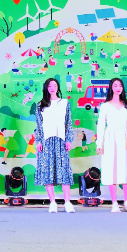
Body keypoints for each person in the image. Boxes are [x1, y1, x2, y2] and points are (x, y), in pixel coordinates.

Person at [96, 78, 127, 213]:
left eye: (120, 86)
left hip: (123, 139)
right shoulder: (105, 106)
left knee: (126, 169)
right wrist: (99, 143)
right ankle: (114, 203)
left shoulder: (126, 105)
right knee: (111, 169)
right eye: (115, 85)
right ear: (111, 88)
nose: (118, 88)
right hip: (110, 139)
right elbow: (101, 125)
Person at [35, 78, 75, 213]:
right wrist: (38, 141)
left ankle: (67, 202)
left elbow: (68, 122)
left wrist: (69, 139)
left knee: (64, 171)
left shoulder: (64, 103)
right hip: (46, 141)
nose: (52, 88)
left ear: (58, 88)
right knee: (47, 171)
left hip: (61, 141)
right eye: (50, 86)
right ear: (46, 88)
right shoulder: (40, 105)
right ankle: (52, 202)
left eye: (55, 85)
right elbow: (38, 125)